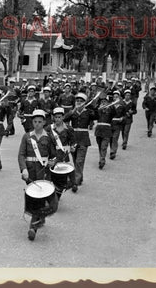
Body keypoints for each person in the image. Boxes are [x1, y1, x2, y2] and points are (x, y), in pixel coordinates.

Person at [19, 109, 57, 241]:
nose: (37, 124)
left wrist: (53, 162)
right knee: (33, 196)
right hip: (30, 171)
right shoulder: (27, 136)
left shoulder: (49, 137)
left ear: (44, 122)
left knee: (39, 198)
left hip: (43, 171)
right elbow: (21, 155)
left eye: (40, 122)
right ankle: (39, 218)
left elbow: (54, 155)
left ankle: (33, 227)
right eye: (35, 121)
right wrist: (23, 169)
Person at [64, 93, 97, 190]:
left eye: (81, 101)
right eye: (77, 101)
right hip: (73, 139)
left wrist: (93, 106)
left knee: (79, 160)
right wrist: (73, 110)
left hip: (83, 139)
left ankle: (75, 181)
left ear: (84, 103)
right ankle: (79, 177)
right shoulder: (73, 112)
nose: (79, 102)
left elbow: (96, 116)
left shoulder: (88, 112)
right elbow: (65, 118)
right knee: (75, 160)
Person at [46, 107, 76, 199]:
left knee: (61, 177)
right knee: (49, 176)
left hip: (63, 156)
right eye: (56, 117)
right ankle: (50, 194)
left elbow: (73, 142)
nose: (57, 119)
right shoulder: (49, 128)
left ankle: (57, 195)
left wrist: (72, 148)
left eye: (59, 117)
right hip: (51, 156)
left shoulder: (68, 129)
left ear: (63, 117)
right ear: (53, 118)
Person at [95, 96, 115, 169]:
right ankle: (101, 157)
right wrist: (97, 108)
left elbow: (114, 112)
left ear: (107, 102)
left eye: (105, 101)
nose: (103, 103)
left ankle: (102, 160)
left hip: (106, 131)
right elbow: (94, 114)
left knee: (104, 146)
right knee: (100, 146)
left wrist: (110, 107)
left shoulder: (110, 110)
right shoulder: (98, 110)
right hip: (99, 130)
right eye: (102, 102)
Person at [109, 90, 125, 160]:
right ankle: (111, 149)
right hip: (110, 125)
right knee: (111, 138)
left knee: (115, 138)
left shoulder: (122, 106)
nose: (115, 98)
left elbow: (125, 115)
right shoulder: (110, 106)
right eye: (114, 97)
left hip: (118, 125)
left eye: (117, 97)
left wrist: (122, 118)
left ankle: (113, 152)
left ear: (119, 98)